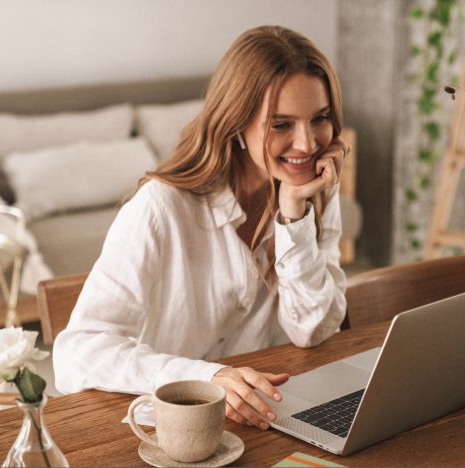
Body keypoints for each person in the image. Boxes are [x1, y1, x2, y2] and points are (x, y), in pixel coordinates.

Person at [53, 25, 349, 431]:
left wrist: (294, 217)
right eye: (281, 125)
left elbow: (312, 330)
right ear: (236, 122)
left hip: (264, 420)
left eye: (320, 119)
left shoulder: (312, 193)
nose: (307, 144)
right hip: (164, 433)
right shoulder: (161, 208)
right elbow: (77, 354)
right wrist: (207, 377)